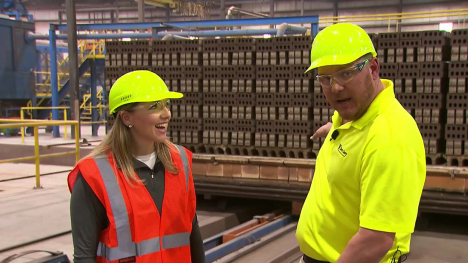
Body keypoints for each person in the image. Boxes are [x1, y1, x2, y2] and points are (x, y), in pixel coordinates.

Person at [296, 23, 426, 263]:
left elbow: (375, 239)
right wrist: (335, 128)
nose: (335, 87)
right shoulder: (354, 114)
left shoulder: (390, 139)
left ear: (373, 68)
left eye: (346, 73)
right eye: (325, 78)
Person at [67, 70, 206, 263]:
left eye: (167, 104)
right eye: (154, 107)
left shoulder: (180, 161)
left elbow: (193, 234)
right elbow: (84, 257)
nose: (166, 114)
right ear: (126, 118)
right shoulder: (94, 175)